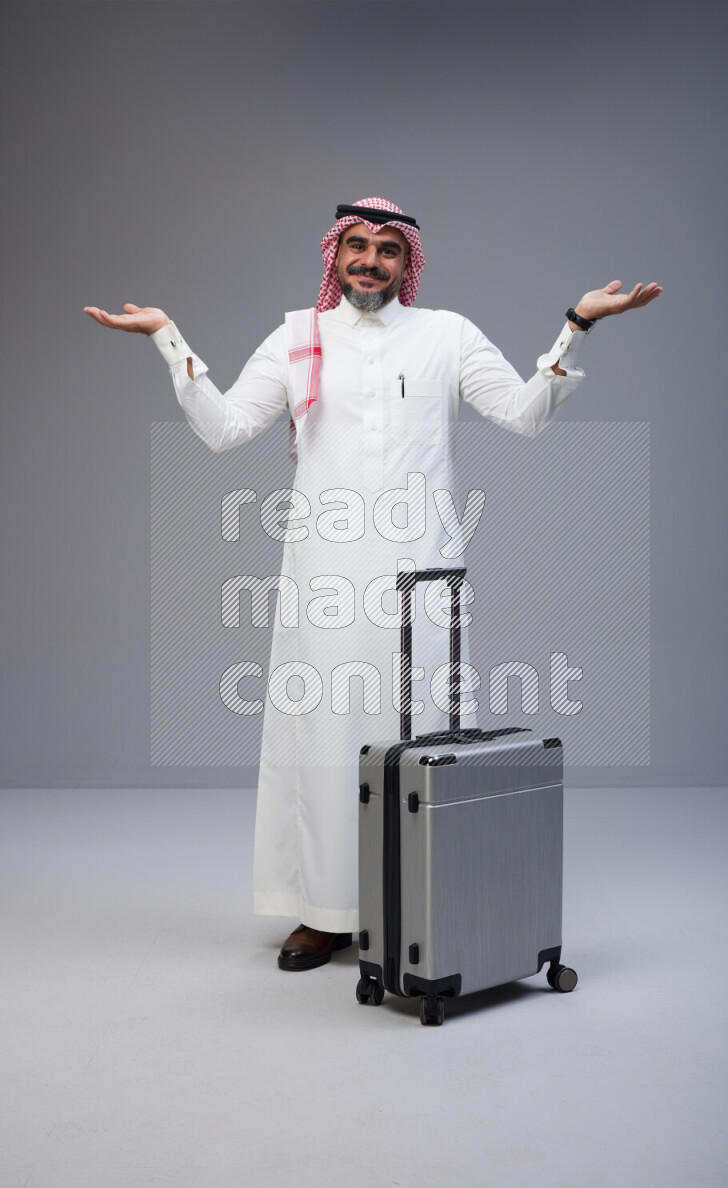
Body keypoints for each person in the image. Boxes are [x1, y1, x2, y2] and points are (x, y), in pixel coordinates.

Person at [84, 197, 662, 971]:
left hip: (424, 575)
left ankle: (418, 902)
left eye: (387, 250)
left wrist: (576, 327)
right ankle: (325, 914)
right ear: (335, 255)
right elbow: (223, 429)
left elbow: (524, 415)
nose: (370, 262)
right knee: (326, 740)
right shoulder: (299, 338)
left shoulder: (446, 335)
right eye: (356, 246)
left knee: (422, 735)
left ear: (406, 262)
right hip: (324, 575)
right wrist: (167, 338)